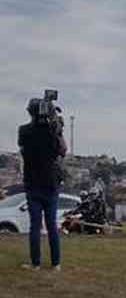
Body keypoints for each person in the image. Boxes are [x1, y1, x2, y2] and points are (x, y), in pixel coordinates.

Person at [18, 99, 68, 270]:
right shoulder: (52, 132)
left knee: (35, 226)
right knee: (52, 225)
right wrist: (58, 129)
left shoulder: (24, 131)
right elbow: (62, 151)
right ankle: (56, 263)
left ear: (30, 112)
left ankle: (36, 263)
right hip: (51, 184)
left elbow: (23, 150)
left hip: (33, 183)